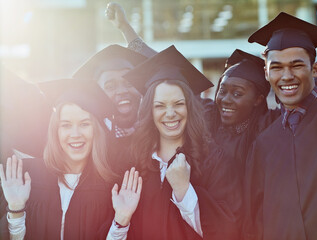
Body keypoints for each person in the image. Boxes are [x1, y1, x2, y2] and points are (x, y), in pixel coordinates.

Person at [242, 2, 317, 239]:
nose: (287, 76)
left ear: (314, 68)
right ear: (266, 73)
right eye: (276, 67)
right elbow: (253, 221)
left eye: (297, 65)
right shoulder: (263, 144)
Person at [120, 45, 240, 240]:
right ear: (149, 111)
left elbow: (228, 231)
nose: (170, 113)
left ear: (190, 107)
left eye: (178, 104)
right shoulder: (134, 161)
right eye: (159, 106)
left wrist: (185, 192)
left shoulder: (214, 160)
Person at [0, 79, 142, 240]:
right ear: (56, 131)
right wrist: (16, 209)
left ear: (97, 131)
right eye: (66, 125)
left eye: (84, 124)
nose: (75, 134)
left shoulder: (114, 187)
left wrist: (121, 220)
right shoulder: (26, 178)